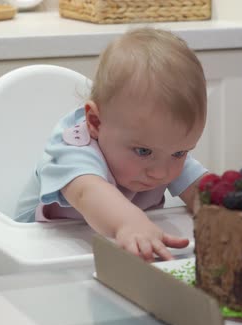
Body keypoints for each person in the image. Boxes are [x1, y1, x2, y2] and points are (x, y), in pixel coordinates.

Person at [14, 27, 208, 262]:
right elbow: (88, 192)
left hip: (97, 250)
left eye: (180, 152)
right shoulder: (72, 150)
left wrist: (227, 212)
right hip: (37, 252)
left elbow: (202, 190)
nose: (161, 172)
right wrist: (129, 224)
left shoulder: (162, 152)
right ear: (95, 122)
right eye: (143, 151)